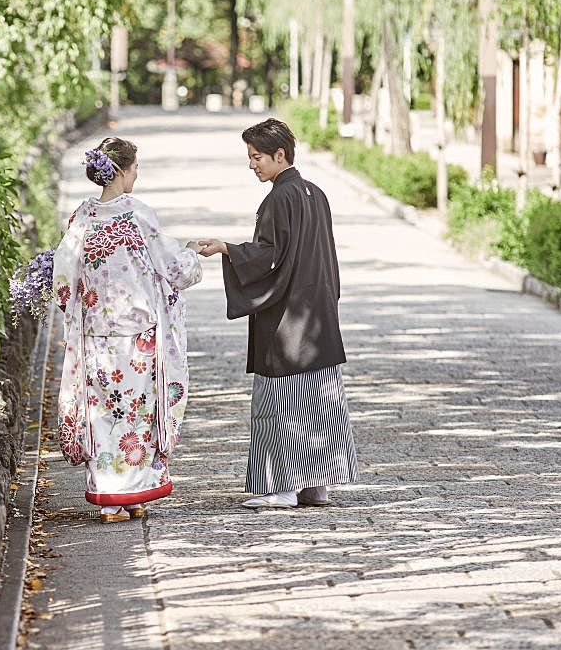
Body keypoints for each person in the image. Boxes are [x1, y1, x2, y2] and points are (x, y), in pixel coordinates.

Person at [196, 118, 359, 509]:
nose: (252, 165)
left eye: (257, 157)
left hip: (287, 319)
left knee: (281, 402)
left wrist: (226, 249)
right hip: (317, 314)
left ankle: (283, 488)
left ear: (279, 154)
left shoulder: (278, 199)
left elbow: (269, 258)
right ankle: (316, 485)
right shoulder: (315, 193)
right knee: (319, 402)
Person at [53, 137, 203, 523]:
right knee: (137, 414)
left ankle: (115, 496)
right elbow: (174, 269)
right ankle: (131, 491)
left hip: (95, 336)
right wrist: (190, 251)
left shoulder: (82, 218)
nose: (137, 174)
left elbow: (63, 281)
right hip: (138, 337)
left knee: (104, 411)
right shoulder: (137, 215)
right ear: (121, 170)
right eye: (135, 167)